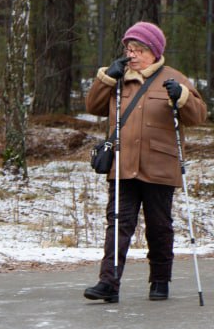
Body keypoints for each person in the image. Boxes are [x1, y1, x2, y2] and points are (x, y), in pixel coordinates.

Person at [83, 21, 207, 304]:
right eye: (129, 49)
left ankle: (160, 280)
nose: (132, 55)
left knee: (159, 225)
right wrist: (105, 79)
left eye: (139, 49)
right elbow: (92, 106)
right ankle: (108, 283)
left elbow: (198, 115)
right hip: (123, 164)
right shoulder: (118, 78)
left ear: (154, 52)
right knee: (118, 223)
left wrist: (182, 97)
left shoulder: (174, 78)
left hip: (160, 166)